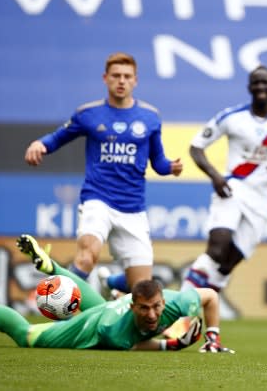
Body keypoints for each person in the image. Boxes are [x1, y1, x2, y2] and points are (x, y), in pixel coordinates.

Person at [24, 53, 183, 294]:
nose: (121, 81)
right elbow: (59, 137)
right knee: (87, 256)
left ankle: (109, 283)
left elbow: (158, 162)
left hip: (133, 208)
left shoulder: (150, 117)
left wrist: (171, 167)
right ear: (105, 78)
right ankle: (61, 314)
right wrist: (41, 144)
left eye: (127, 76)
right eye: (116, 76)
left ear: (135, 81)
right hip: (98, 199)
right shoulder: (89, 113)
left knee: (140, 286)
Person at [0, 235, 233, 352]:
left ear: (164, 301)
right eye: (145, 308)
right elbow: (137, 345)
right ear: (133, 306)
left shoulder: (176, 302)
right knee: (26, 336)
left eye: (156, 306)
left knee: (101, 304)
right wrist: (172, 345)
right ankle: (107, 288)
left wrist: (213, 338)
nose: (152, 314)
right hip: (93, 325)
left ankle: (50, 267)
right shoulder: (114, 334)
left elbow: (210, 296)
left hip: (111, 308)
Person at [182, 65, 267, 310]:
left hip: (262, 199)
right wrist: (215, 176)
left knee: (227, 263)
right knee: (216, 248)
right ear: (249, 87)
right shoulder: (231, 117)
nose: (261, 87)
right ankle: (178, 308)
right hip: (232, 188)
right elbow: (196, 147)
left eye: (265, 82)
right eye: (256, 83)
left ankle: (196, 312)